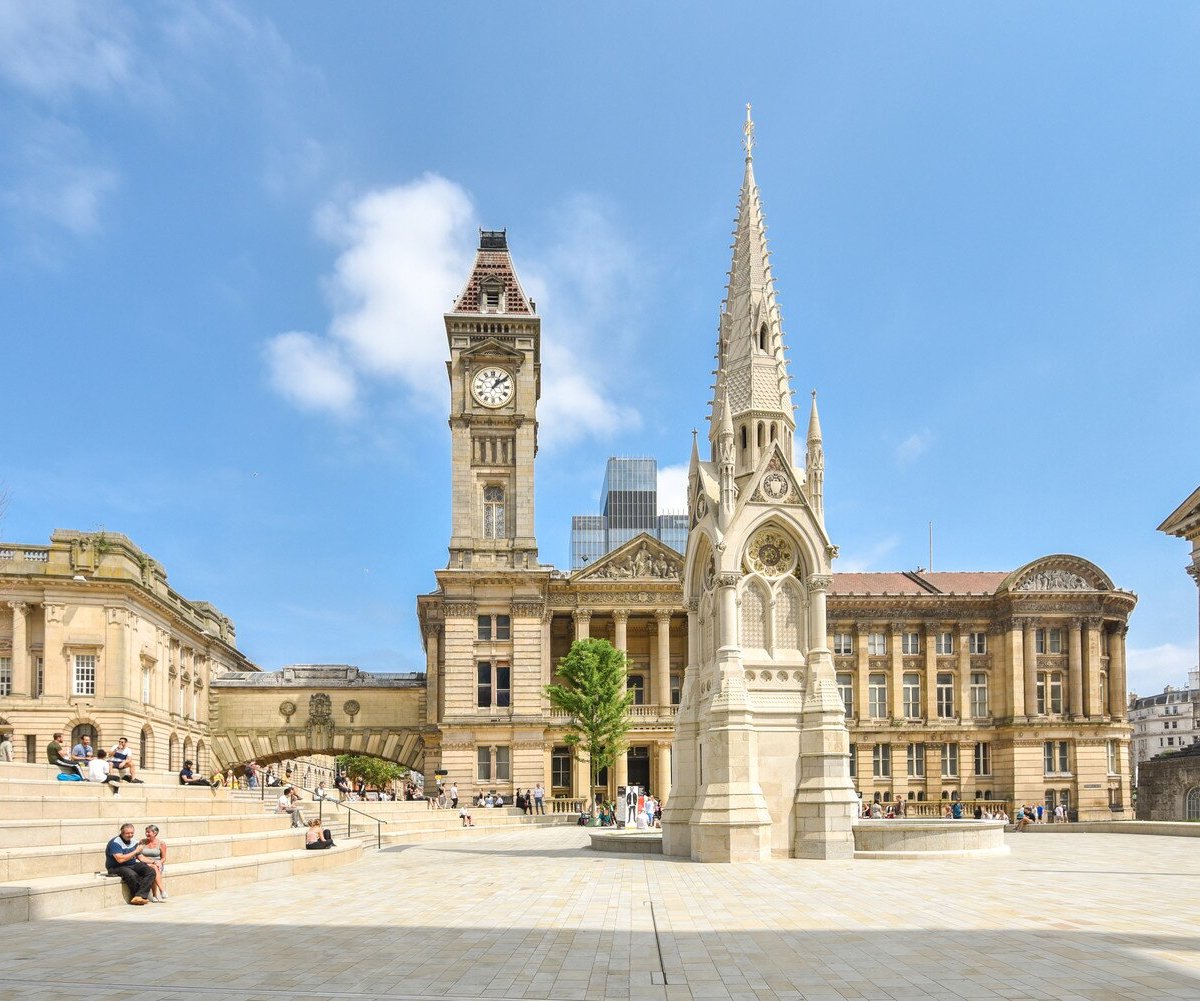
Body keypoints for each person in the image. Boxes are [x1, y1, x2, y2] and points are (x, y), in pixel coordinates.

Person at [105, 823, 157, 905]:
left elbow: (141, 857)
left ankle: (138, 897)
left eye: (132, 833)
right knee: (132, 875)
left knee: (150, 871)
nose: (130, 835)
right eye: (127, 833)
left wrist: (154, 862)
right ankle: (138, 896)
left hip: (131, 864)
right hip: (116, 867)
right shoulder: (115, 843)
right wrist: (136, 851)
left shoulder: (134, 842)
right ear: (122, 833)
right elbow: (120, 860)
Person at [140, 824, 168, 901]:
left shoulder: (161, 843)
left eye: (148, 832)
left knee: (155, 869)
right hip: (146, 863)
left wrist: (159, 862)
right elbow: (139, 856)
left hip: (158, 863)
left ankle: (155, 895)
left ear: (155, 833)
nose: (146, 834)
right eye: (146, 832)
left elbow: (164, 858)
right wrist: (150, 862)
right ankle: (161, 891)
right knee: (153, 869)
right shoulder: (142, 842)